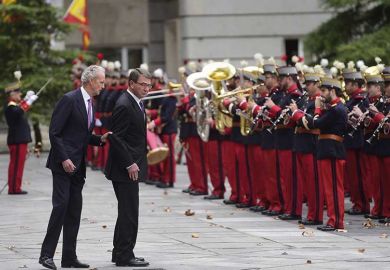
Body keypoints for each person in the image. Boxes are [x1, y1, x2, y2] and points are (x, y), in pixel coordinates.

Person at [39, 65, 110, 270]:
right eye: (101, 81)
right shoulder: (69, 99)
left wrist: (99, 140)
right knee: (60, 207)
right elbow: (55, 132)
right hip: (63, 164)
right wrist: (64, 159)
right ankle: (46, 255)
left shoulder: (91, 103)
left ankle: (69, 257)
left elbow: (82, 135)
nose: (103, 86)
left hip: (78, 166)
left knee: (74, 211)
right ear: (89, 81)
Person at [104, 68, 150, 267]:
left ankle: (120, 252)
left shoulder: (136, 102)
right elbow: (116, 138)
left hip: (131, 165)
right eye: (142, 84)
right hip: (125, 169)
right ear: (131, 84)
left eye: (149, 85)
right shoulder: (124, 104)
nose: (146, 89)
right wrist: (130, 163)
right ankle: (125, 255)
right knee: (130, 212)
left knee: (126, 211)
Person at [290, 77, 347, 231]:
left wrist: (315, 109)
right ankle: (333, 220)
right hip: (327, 150)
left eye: (324, 91)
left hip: (333, 151)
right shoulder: (332, 108)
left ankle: (336, 221)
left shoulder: (337, 109)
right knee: (330, 189)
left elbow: (316, 123)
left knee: (334, 189)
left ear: (333, 91)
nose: (321, 94)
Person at [4, 81, 38, 195]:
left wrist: (26, 100)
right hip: (17, 140)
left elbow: (19, 109)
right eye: (18, 94)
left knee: (18, 165)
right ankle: (14, 188)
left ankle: (15, 187)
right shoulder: (10, 107)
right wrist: (29, 101)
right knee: (16, 165)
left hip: (19, 140)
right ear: (12, 95)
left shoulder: (14, 106)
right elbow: (18, 111)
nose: (20, 95)